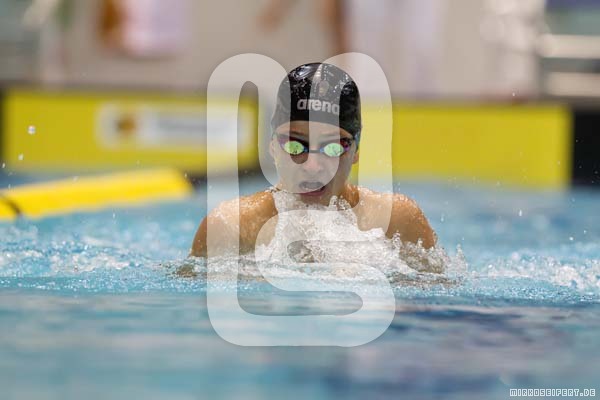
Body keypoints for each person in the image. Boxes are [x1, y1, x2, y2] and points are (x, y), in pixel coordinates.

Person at [190, 62, 437, 264]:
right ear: (273, 146)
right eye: (296, 146)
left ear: (357, 150)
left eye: (332, 148)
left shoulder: (396, 222)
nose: (312, 166)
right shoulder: (232, 227)